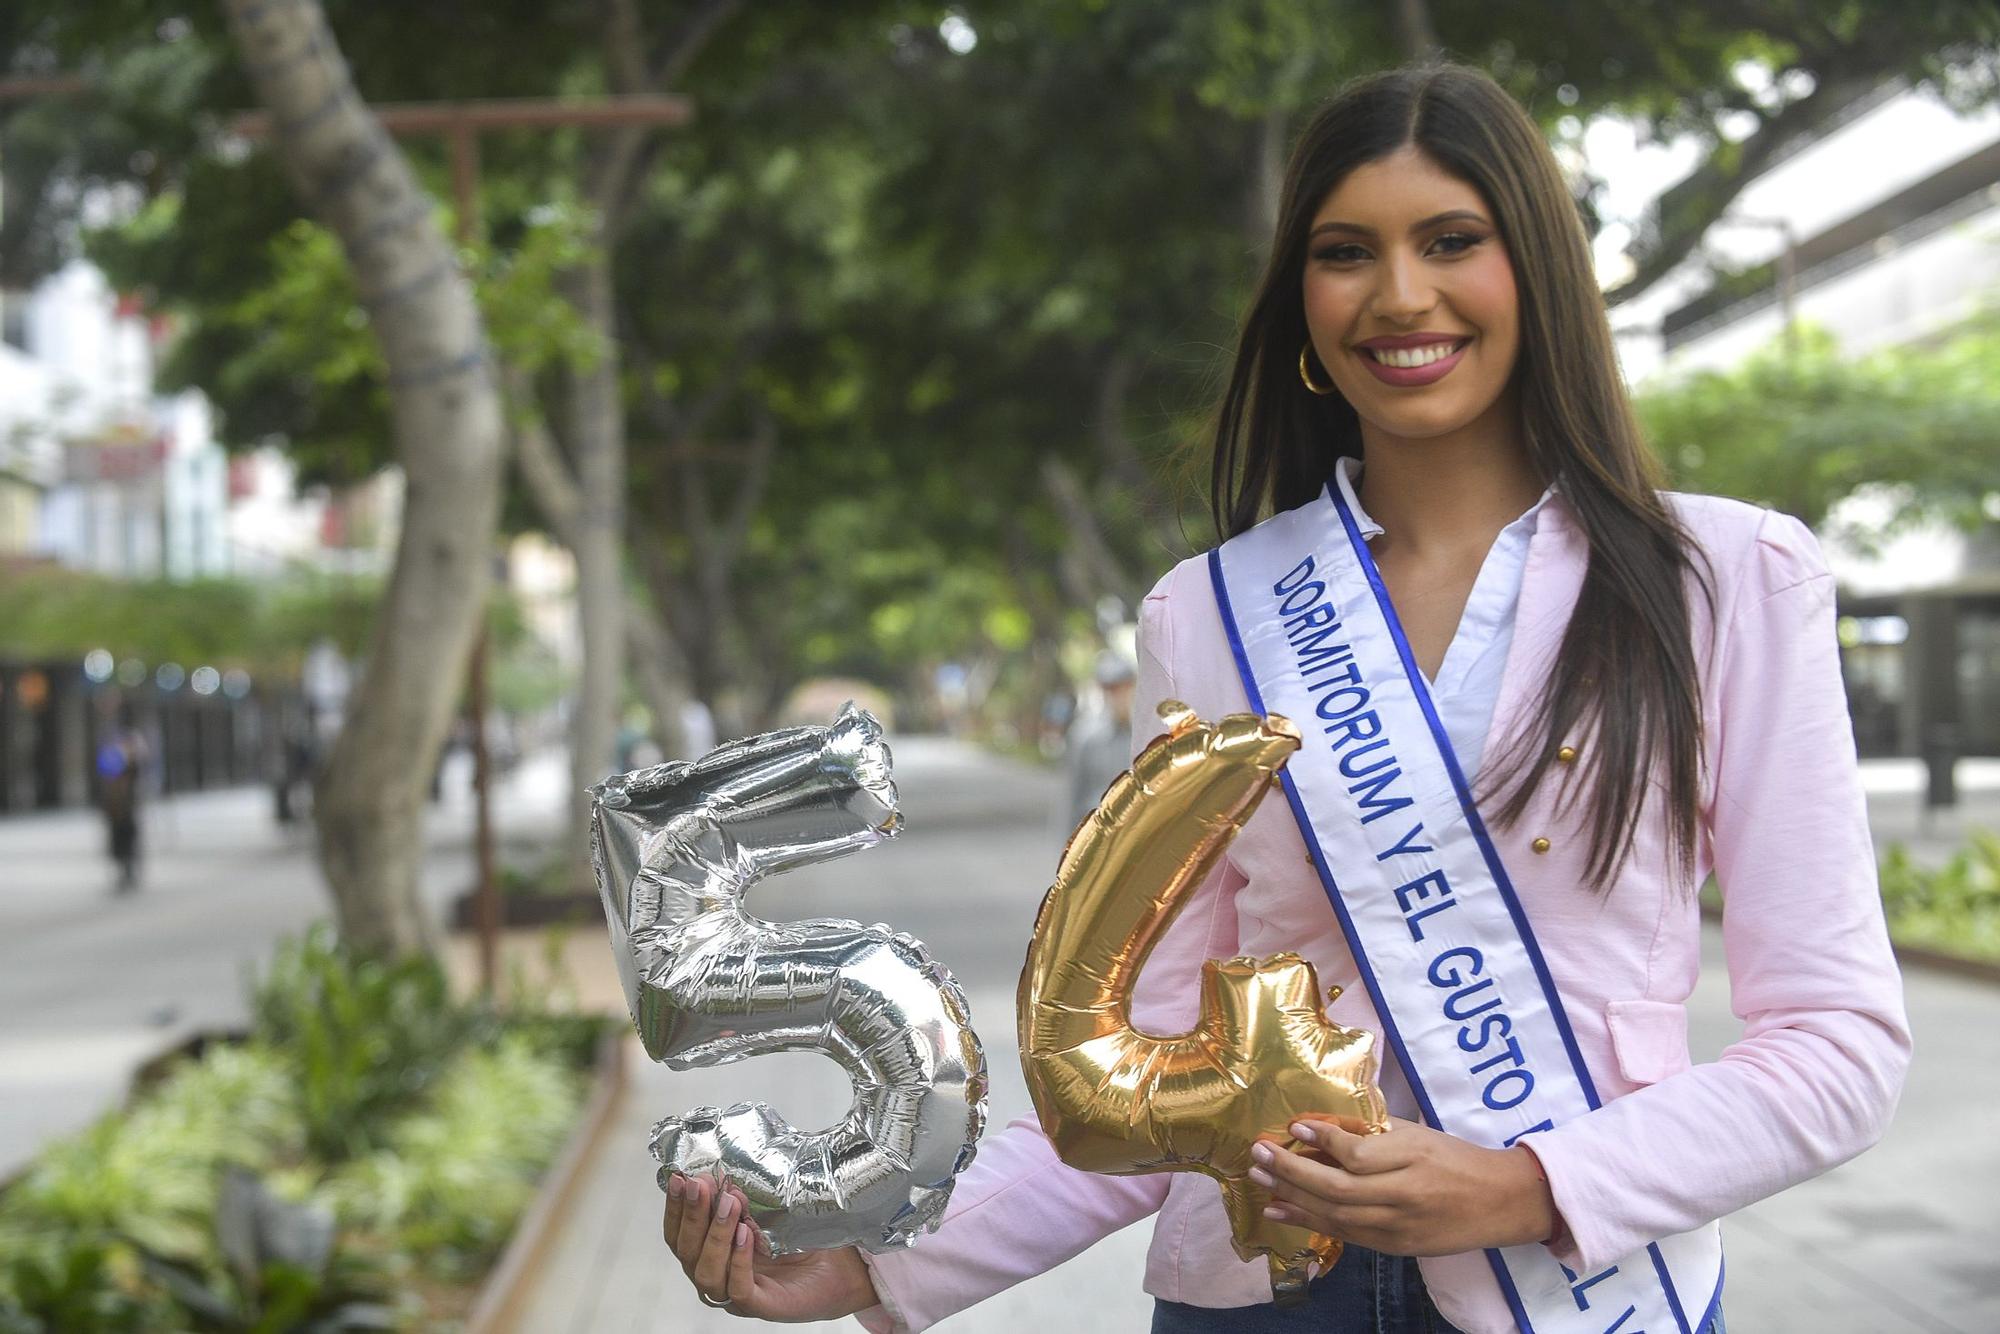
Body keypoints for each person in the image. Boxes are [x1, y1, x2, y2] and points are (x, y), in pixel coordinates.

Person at [660, 62, 1909, 1333]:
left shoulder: (1722, 582)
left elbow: (1836, 1043)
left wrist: (1528, 1185)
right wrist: (881, 1260)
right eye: (1344, 251)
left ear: (1536, 268)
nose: (1399, 294)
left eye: (1451, 241)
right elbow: (1146, 1073)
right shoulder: (1208, 616)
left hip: (1577, 1285)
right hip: (1261, 1293)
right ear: (1300, 300)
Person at [1062, 649, 1139, 829]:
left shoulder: (1147, 735)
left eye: (1123, 685)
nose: (1118, 694)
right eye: (1111, 688)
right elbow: (1072, 797)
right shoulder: (1084, 737)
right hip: (1096, 834)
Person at [96, 710, 149, 893]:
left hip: (127, 804)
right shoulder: (111, 753)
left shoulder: (133, 755)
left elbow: (138, 771)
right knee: (118, 837)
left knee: (129, 836)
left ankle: (129, 867)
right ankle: (122, 867)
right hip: (115, 804)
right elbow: (104, 774)